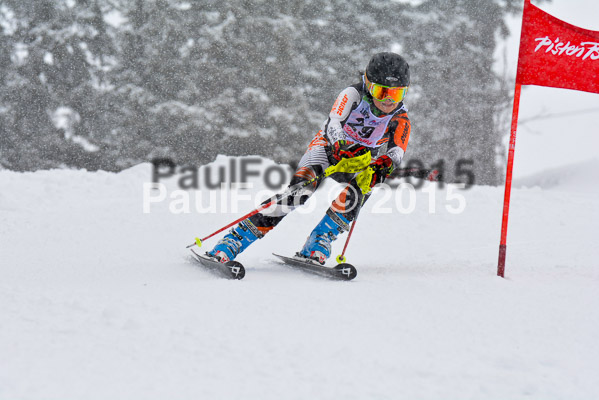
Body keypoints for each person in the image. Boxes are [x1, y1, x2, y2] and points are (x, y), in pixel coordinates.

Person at [206, 52, 412, 265]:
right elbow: (334, 123)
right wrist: (340, 146)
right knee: (299, 193)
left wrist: (384, 164)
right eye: (381, 91)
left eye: (396, 95)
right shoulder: (353, 94)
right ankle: (235, 240)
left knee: (363, 188)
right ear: (368, 84)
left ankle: (319, 240)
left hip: (360, 159)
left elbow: (397, 151)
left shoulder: (400, 117)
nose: (388, 101)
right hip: (328, 148)